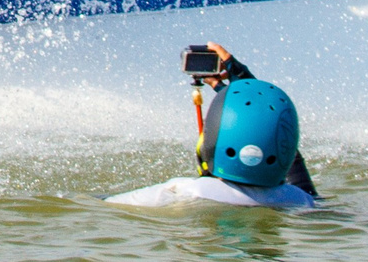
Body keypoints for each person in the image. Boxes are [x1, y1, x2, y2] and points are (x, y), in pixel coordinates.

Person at [107, 43, 320, 209]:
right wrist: (243, 83)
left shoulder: (182, 192)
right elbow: (278, 135)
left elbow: (100, 204)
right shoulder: (301, 201)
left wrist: (235, 95)